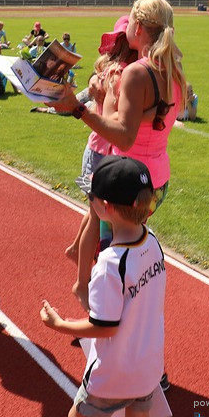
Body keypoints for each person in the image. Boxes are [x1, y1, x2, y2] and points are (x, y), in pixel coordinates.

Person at [50, 0, 185, 320]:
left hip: (126, 180)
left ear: (137, 28)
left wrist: (79, 108)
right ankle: (122, 320)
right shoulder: (173, 69)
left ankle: (103, 322)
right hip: (156, 181)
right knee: (128, 253)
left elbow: (123, 135)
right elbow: (158, 117)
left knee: (111, 259)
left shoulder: (138, 72)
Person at [41, 156, 166, 417]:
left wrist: (60, 324)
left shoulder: (110, 264)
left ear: (105, 208)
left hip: (114, 372)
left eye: (91, 197)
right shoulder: (153, 243)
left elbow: (104, 327)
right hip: (148, 366)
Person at [64, 16, 137, 262]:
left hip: (96, 149)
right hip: (101, 152)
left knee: (96, 211)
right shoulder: (120, 74)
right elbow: (113, 117)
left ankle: (76, 249)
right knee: (100, 215)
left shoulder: (106, 71)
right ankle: (85, 272)